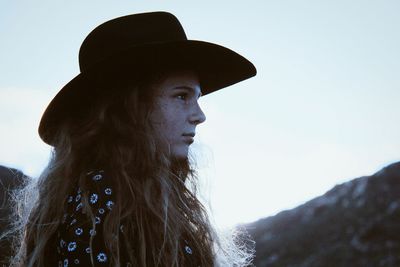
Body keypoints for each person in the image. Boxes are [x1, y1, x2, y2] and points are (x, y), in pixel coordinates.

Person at [11, 11, 256, 266]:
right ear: (129, 108)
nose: (199, 115)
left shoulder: (145, 198)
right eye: (182, 96)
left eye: (197, 98)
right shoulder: (103, 202)